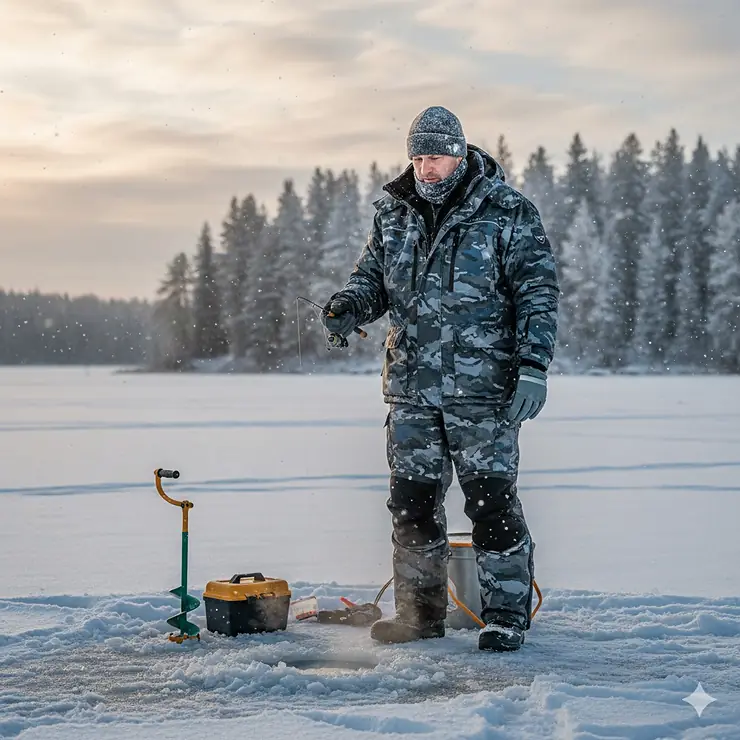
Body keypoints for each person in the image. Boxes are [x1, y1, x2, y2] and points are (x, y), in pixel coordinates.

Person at [320, 106, 559, 652]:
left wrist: (533, 367)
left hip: (485, 392)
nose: (426, 168)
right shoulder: (393, 214)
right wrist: (348, 308)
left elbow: (537, 296)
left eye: (436, 156)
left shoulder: (507, 211)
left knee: (492, 505)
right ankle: (419, 616)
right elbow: (372, 282)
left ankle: (505, 618)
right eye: (418, 157)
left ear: (460, 153)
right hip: (411, 391)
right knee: (412, 504)